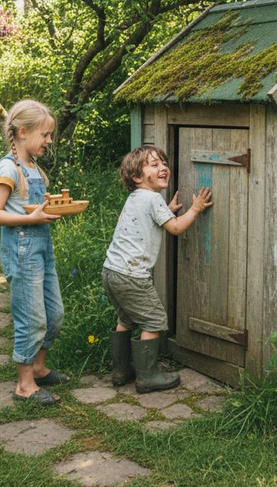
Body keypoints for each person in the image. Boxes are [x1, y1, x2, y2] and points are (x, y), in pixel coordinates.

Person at [102, 145, 213, 393]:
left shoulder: (136, 198)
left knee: (126, 318)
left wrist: (168, 211)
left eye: (163, 163)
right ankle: (147, 377)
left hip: (111, 271)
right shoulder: (152, 199)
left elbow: (150, 220)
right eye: (154, 165)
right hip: (132, 276)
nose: (163, 168)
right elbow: (174, 228)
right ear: (137, 177)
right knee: (153, 320)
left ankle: (121, 372)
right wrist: (195, 209)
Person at [0, 99, 68, 406]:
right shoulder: (8, 167)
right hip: (22, 251)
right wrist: (30, 218)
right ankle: (24, 385)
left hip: (42, 248)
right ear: (22, 132)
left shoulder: (32, 166)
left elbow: (31, 205)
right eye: (45, 135)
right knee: (31, 318)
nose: (48, 141)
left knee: (54, 314)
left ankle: (39, 366)